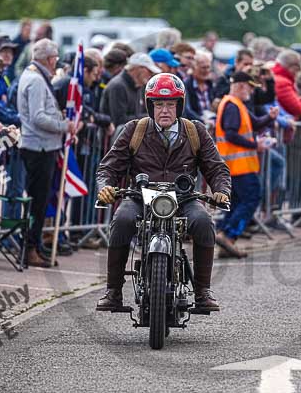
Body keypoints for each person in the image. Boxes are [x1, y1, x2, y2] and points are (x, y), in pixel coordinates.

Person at [95, 72, 230, 311]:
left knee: (204, 222)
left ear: (180, 105)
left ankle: (202, 291)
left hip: (183, 198)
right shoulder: (134, 129)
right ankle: (113, 291)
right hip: (141, 196)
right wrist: (105, 186)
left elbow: (217, 167)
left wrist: (221, 191)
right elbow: (108, 165)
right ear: (150, 106)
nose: (165, 110)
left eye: (170, 104)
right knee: (122, 220)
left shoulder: (195, 130)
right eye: (159, 104)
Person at [16, 39, 76, 268]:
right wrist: (64, 126)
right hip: (39, 147)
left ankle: (34, 245)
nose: (56, 63)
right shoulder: (36, 80)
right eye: (55, 59)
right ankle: (30, 247)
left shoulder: (33, 76)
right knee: (37, 201)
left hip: (42, 146)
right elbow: (38, 117)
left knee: (39, 201)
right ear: (49, 59)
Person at [214, 72, 279, 258]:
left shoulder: (236, 105)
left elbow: (255, 124)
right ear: (242, 86)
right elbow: (231, 134)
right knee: (251, 198)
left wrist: (270, 117)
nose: (251, 91)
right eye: (250, 87)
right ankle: (228, 234)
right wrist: (254, 145)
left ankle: (225, 239)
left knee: (235, 203)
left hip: (236, 166)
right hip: (239, 166)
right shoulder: (232, 106)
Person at [100, 52, 160, 129]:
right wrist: (150, 117)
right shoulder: (118, 86)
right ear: (138, 69)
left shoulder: (139, 86)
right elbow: (119, 120)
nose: (150, 75)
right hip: (116, 138)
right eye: (149, 71)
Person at [183, 50, 215, 122]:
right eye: (203, 67)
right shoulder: (187, 85)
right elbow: (187, 111)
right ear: (194, 68)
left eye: (208, 67)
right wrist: (203, 121)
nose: (206, 70)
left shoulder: (210, 85)